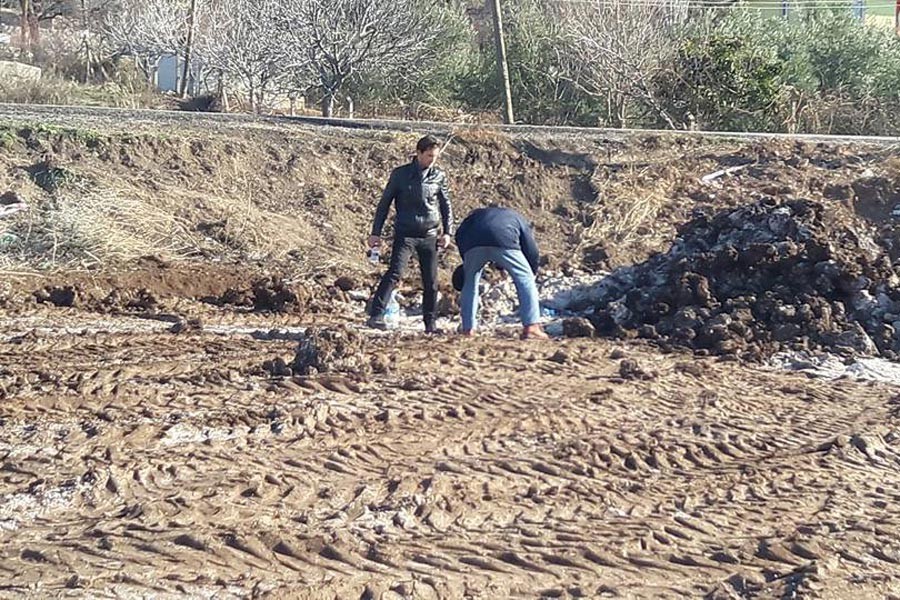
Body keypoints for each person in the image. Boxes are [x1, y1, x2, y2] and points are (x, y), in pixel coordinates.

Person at [367, 135, 454, 333]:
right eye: (429, 155)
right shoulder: (400, 175)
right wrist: (375, 233)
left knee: (431, 281)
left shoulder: (438, 176)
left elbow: (446, 205)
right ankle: (377, 314)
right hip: (405, 233)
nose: (432, 159)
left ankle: (430, 324)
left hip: (430, 234)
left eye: (435, 156)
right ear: (419, 153)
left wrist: (448, 232)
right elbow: (384, 205)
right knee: (395, 273)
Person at [453, 206, 549, 339]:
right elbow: (530, 247)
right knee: (525, 278)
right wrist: (532, 268)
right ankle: (531, 327)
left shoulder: (473, 217)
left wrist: (466, 260)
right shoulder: (514, 216)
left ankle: (468, 330)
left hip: (473, 242)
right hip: (504, 239)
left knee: (470, 283)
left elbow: (459, 235)